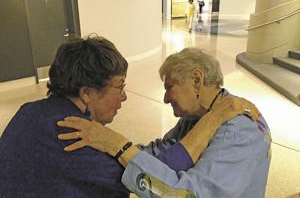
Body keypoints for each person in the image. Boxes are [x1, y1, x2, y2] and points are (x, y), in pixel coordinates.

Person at [0, 37, 258, 198]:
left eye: (169, 87)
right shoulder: (73, 134)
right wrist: (213, 119)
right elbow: (156, 176)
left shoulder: (29, 111)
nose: (124, 97)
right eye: (120, 86)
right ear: (87, 92)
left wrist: (117, 144)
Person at [57, 48, 271, 198]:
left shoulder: (238, 133)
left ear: (197, 80)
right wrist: (104, 148)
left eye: (170, 87)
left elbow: (188, 194)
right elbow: (164, 155)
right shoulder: (198, 117)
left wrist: (117, 145)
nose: (166, 98)